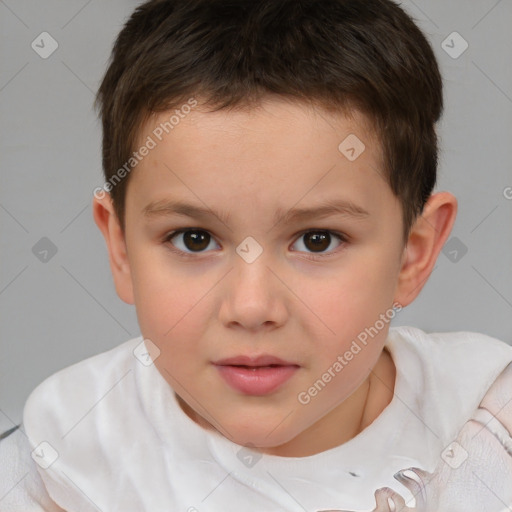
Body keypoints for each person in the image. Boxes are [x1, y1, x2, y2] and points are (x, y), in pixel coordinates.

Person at [1, 0, 511, 510]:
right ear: (121, 249)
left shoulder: (484, 437)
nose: (251, 307)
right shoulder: (66, 458)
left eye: (317, 240)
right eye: (194, 239)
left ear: (411, 255)